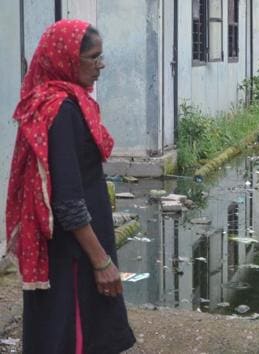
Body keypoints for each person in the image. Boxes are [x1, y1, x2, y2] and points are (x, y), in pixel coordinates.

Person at [5, 19, 136, 353]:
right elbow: (67, 201)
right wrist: (101, 262)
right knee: (74, 335)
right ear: (65, 59)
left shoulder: (65, 103)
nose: (101, 65)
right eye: (93, 57)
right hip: (73, 253)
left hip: (72, 249)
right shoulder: (61, 110)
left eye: (101, 56)